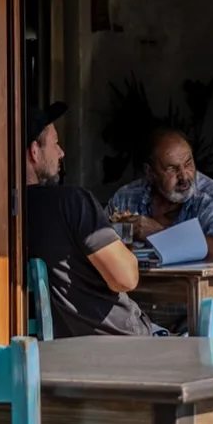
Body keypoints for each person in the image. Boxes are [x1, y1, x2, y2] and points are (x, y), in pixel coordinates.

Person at [24, 104, 157, 338]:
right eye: (55, 143)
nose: (61, 153)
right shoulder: (72, 202)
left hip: (51, 346)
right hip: (116, 340)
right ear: (34, 152)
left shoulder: (5, 217)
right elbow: (126, 278)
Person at [105, 128, 213, 260]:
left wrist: (159, 233)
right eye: (171, 168)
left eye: (188, 164)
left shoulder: (211, 196)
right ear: (150, 172)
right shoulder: (125, 198)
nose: (184, 176)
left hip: (193, 277)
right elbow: (98, 245)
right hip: (136, 277)